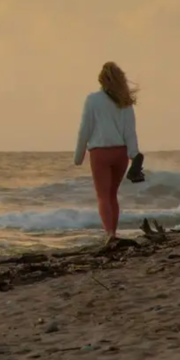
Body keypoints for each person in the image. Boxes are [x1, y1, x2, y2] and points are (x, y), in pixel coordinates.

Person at [74, 61, 142, 244]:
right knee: (112, 195)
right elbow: (130, 131)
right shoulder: (125, 102)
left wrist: (78, 155)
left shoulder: (92, 100)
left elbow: (85, 129)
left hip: (100, 153)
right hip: (121, 153)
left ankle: (109, 234)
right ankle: (113, 232)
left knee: (103, 196)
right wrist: (134, 155)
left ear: (101, 79)